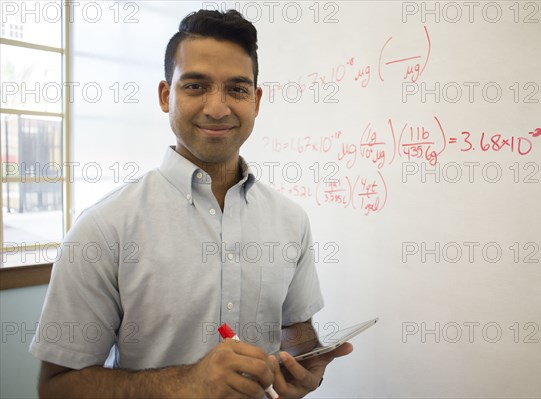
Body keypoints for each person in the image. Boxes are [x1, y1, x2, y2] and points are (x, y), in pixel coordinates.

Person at [30, 8, 352, 399]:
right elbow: (57, 387)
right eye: (196, 86)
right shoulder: (104, 228)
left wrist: (308, 369)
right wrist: (187, 382)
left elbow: (297, 333)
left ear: (257, 100)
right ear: (166, 96)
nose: (217, 108)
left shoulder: (290, 220)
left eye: (237, 88)